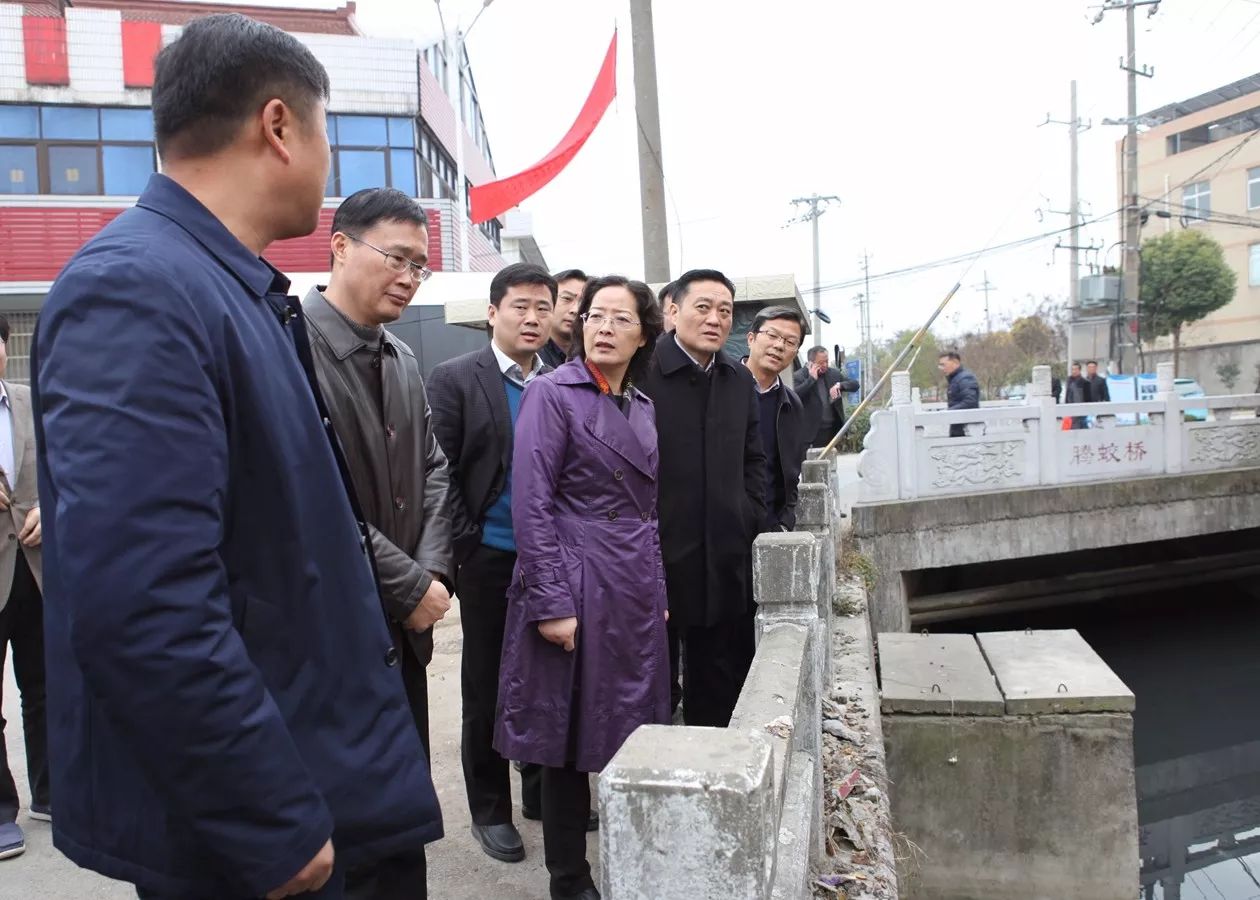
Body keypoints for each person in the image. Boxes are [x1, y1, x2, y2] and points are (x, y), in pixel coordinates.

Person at [31, 15, 441, 899]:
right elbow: (140, 599)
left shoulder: (234, 285)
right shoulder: (135, 287)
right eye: (328, 132)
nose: (330, 164)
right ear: (279, 125)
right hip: (271, 827)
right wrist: (270, 820)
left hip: (324, 768)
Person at [496, 275, 669, 900]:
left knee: (629, 728)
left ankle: (635, 860)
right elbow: (531, 505)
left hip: (632, 587)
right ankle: (569, 878)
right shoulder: (551, 392)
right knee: (565, 739)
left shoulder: (644, 408)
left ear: (644, 334)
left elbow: (649, 512)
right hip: (575, 580)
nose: (603, 326)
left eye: (621, 318)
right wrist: (550, 602)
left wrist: (658, 590)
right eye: (595, 314)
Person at [302, 188, 454, 766]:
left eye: (420, 266)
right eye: (396, 258)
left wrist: (431, 574)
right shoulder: (287, 348)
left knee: (403, 809)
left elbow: (433, 470)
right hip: (330, 623)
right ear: (340, 246)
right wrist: (408, 586)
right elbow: (311, 499)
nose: (410, 277)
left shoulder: (403, 359)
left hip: (405, 625)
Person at [428, 263, 563, 864]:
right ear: (492, 312)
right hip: (488, 558)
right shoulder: (456, 379)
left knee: (545, 681)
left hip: (549, 562)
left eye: (543, 307)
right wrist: (468, 543)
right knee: (485, 686)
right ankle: (489, 808)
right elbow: (440, 473)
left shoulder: (563, 383)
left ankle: (539, 792)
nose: (532, 318)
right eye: (520, 307)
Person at [640, 268, 767, 728]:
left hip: (723, 553)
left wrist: (748, 514)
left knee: (716, 678)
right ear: (672, 311)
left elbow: (755, 458)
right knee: (650, 680)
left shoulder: (737, 378)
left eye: (725, 311)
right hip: (656, 552)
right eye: (704, 307)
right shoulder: (642, 373)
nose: (715, 319)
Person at [0, 315, 46, 862]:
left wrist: (52, 511)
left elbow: (71, 470)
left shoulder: (32, 400)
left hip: (38, 569)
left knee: (47, 686)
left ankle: (54, 793)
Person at [743, 306, 809, 532]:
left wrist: (785, 521)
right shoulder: (720, 388)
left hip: (771, 532)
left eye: (790, 342)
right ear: (751, 338)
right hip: (723, 533)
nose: (779, 346)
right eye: (771, 335)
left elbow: (792, 472)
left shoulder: (792, 404)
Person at [795, 345, 861, 450]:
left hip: (831, 432)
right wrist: (811, 379)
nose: (825, 365)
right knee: (811, 465)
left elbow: (855, 385)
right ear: (811, 363)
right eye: (821, 363)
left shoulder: (833, 374)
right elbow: (795, 395)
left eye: (827, 361)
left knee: (830, 465)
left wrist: (840, 385)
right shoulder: (799, 376)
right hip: (810, 436)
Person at [540, 269, 587, 369]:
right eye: (566, 298)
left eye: (583, 303)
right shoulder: (531, 355)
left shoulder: (592, 356)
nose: (576, 310)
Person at [939, 351, 980, 438]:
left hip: (968, 429)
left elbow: (970, 402)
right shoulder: (955, 379)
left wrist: (948, 412)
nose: (942, 368)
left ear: (955, 362)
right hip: (959, 426)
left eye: (944, 364)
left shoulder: (965, 378)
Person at [1065, 362, 1088, 429]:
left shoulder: (1084, 381)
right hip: (1070, 408)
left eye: (1075, 369)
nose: (1074, 371)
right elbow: (1067, 395)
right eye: (1072, 369)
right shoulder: (1069, 380)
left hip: (1080, 409)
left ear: (1079, 370)